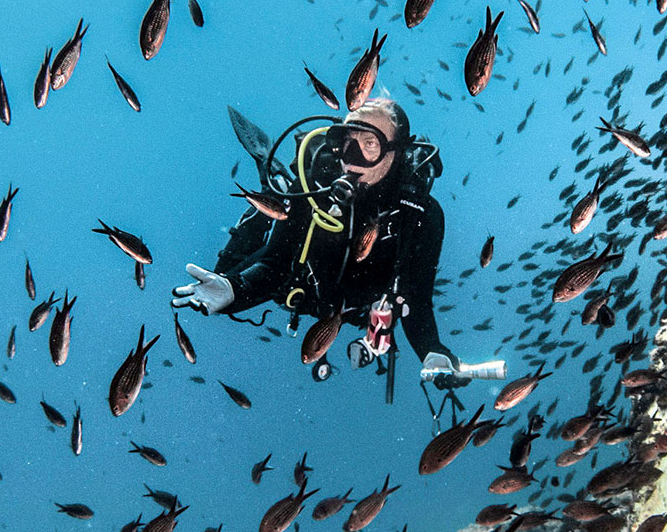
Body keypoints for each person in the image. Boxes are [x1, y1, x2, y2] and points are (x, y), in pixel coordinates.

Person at [173, 98, 473, 390]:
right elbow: (276, 263)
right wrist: (235, 290)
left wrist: (430, 349)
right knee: (226, 279)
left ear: (396, 152)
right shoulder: (317, 182)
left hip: (354, 307)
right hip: (303, 283)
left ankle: (273, 192)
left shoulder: (419, 214)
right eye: (347, 141)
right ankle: (271, 194)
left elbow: (414, 297)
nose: (352, 156)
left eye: (370, 144)